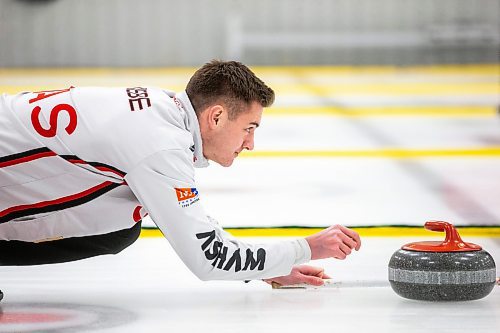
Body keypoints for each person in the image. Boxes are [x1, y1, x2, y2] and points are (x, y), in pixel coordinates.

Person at [0, 60, 361, 298]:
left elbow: (194, 226)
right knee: (121, 223)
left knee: (121, 221)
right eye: (249, 128)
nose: (251, 143)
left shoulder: (161, 111)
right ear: (216, 116)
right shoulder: (159, 146)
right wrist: (308, 247)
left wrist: (271, 266)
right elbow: (210, 259)